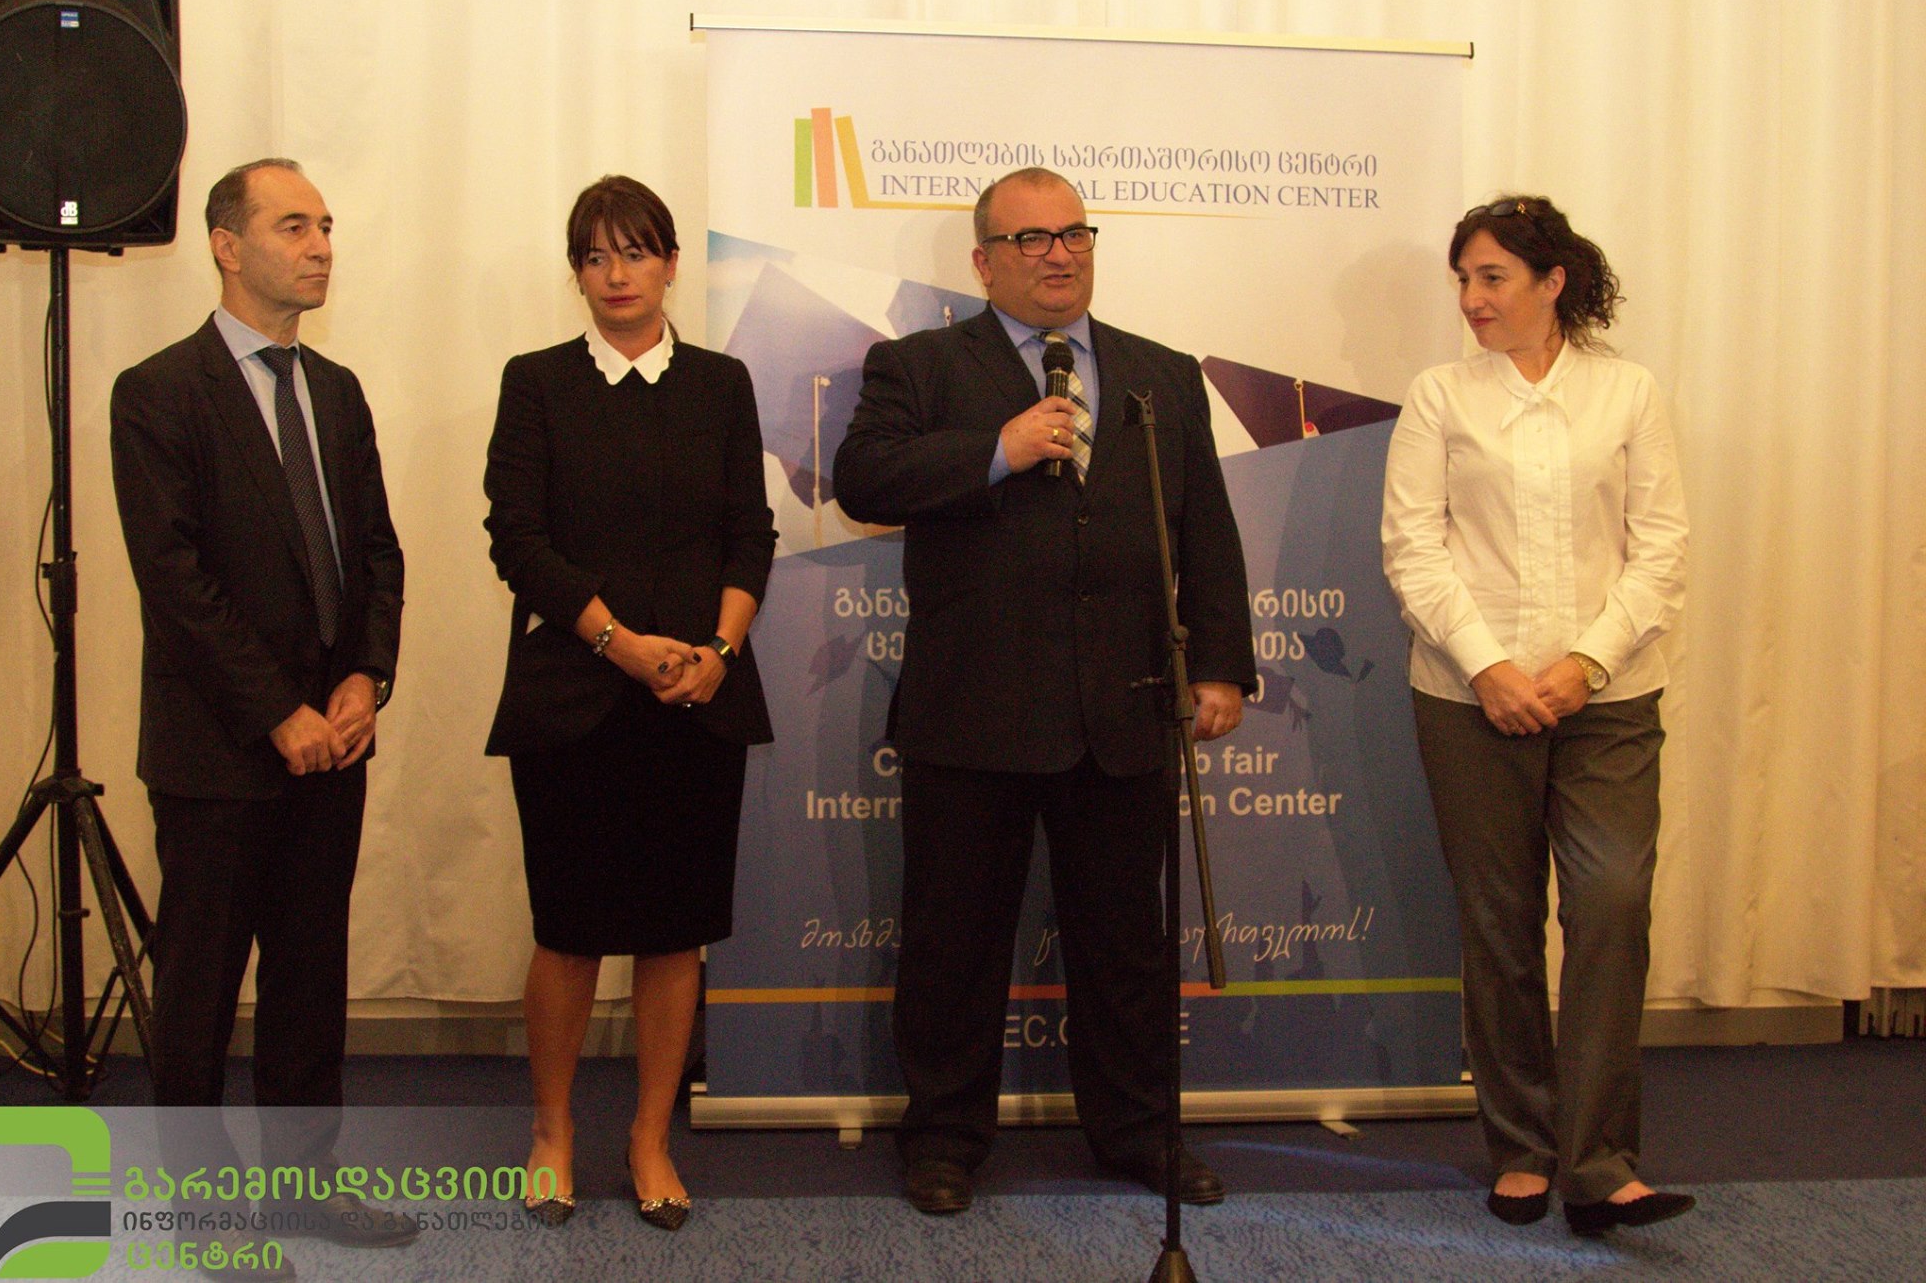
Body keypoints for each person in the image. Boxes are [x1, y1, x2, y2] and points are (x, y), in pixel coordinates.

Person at [832, 167, 1255, 1215]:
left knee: (1125, 945)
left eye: (1073, 233)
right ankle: (942, 1140)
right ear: (983, 263)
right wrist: (997, 449)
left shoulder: (1160, 374)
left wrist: (1216, 661)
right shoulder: (917, 366)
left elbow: (1203, 527)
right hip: (970, 709)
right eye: (1030, 239)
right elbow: (863, 480)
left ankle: (1139, 1132)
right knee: (953, 942)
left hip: (1123, 705)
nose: (1058, 253)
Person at [109, 158, 414, 1279]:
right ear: (226, 246)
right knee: (197, 995)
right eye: (294, 226)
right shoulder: (157, 392)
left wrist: (363, 679)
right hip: (218, 752)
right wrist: (277, 710)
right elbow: (174, 580)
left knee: (307, 980)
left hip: (334, 742)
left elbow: (376, 553)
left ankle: (304, 1187)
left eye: (325, 225)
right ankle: (203, 1214)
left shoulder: (337, 390)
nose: (321, 245)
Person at [1381, 195, 1692, 1236]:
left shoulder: (1626, 391)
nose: (1471, 300)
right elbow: (1412, 549)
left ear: (1552, 282)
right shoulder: (1439, 396)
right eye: (1462, 281)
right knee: (1499, 922)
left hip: (1609, 696)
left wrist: (1585, 664)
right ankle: (1521, 1147)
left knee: (1609, 903)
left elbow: (1660, 547)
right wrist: (1489, 668)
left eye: (1491, 278)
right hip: (1468, 698)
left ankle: (1600, 1162)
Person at [483, 175, 775, 1233]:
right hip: (573, 697)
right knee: (569, 932)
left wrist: (719, 650)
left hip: (696, 697)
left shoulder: (721, 383)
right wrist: (618, 641)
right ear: (577, 272)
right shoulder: (537, 382)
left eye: (636, 253)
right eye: (596, 257)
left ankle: (650, 1137)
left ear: (669, 265)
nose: (616, 275)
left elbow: (750, 532)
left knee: (672, 935)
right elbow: (517, 539)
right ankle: (552, 1129)